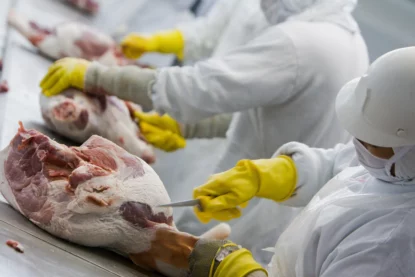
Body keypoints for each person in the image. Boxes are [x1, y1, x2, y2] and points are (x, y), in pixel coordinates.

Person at [39, 0, 368, 264]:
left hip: (244, 211)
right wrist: (186, 127)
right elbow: (264, 113)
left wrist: (100, 76)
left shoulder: (300, 42)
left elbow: (198, 88)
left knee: (191, 256)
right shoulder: (346, 38)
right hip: (268, 207)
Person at [129, 47, 415, 276]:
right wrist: (272, 174)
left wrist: (235, 270)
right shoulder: (396, 162)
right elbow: (343, 164)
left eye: (371, 142)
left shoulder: (392, 247)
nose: (358, 145)